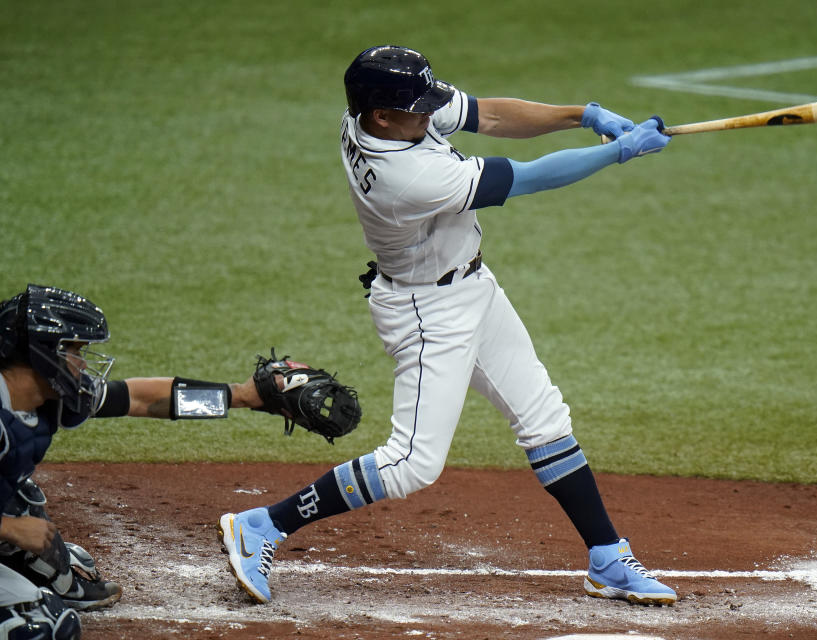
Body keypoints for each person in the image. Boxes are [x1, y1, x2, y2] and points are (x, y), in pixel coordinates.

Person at [217, 45, 676, 607]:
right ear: (381, 117)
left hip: (472, 289)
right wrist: (618, 153)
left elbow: (492, 115)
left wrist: (582, 114)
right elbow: (528, 179)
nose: (430, 113)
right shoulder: (405, 176)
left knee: (543, 417)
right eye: (418, 109)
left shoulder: (385, 113)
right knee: (411, 464)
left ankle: (607, 557)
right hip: (426, 311)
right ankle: (263, 525)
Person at [0, 284, 268, 637]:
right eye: (76, 350)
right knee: (37, 628)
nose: (84, 363)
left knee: (19, 501)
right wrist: (9, 529)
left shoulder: (48, 399)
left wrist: (241, 396)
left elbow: (138, 399)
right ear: (42, 353)